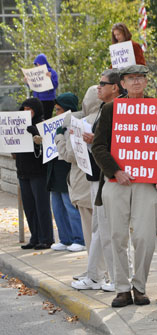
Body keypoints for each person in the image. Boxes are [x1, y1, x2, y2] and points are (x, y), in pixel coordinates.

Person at [92, 65, 157, 307]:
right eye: (131, 79)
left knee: (145, 237)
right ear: (122, 84)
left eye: (141, 78)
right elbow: (98, 146)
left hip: (147, 182)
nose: (136, 82)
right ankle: (122, 288)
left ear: (146, 82)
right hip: (117, 181)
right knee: (117, 236)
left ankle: (139, 287)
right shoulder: (111, 108)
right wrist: (115, 170)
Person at [71, 70, 124, 292]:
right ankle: (97, 276)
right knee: (100, 229)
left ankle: (118, 278)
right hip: (97, 176)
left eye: (102, 84)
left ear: (115, 87)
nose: (98, 87)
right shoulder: (105, 108)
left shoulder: (119, 108)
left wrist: (96, 141)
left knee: (112, 231)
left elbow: (122, 142)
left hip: (112, 177)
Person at [47, 93, 86, 252]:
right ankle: (65, 238)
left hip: (67, 170)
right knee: (57, 208)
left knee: (70, 206)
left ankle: (79, 238)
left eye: (59, 110)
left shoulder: (74, 124)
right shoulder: (56, 126)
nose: (56, 113)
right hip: (55, 171)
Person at [14, 98, 54, 249]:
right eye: (24, 109)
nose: (26, 112)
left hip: (38, 173)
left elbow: (47, 147)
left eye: (29, 109)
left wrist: (36, 134)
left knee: (41, 206)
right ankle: (35, 237)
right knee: (29, 208)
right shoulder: (18, 126)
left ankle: (46, 238)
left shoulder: (42, 125)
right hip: (23, 172)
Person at [24, 53, 58, 120]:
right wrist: (28, 82)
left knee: (47, 119)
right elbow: (33, 86)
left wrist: (50, 78)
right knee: (37, 119)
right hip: (37, 100)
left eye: (39, 63)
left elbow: (55, 85)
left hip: (48, 100)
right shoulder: (35, 73)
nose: (38, 65)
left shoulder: (52, 72)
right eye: (36, 64)